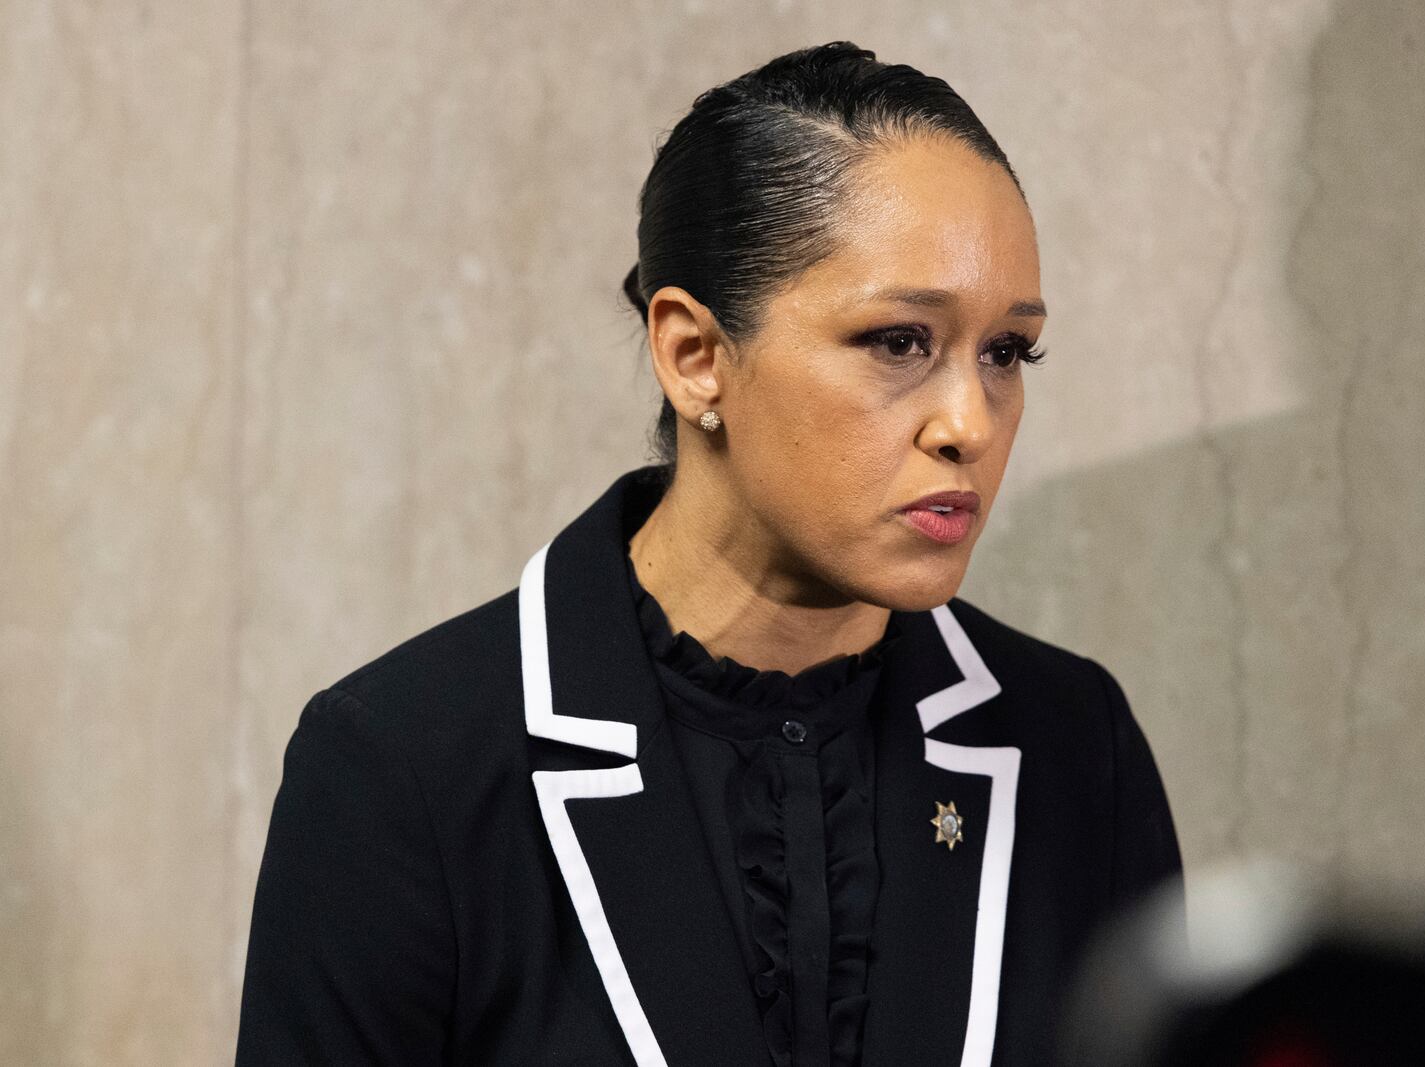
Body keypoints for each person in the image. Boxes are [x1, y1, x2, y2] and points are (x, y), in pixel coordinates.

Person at [235, 41, 1183, 1066]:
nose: (970, 421)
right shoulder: (403, 767)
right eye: (899, 341)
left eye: (1006, 351)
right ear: (693, 354)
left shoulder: (1073, 745)